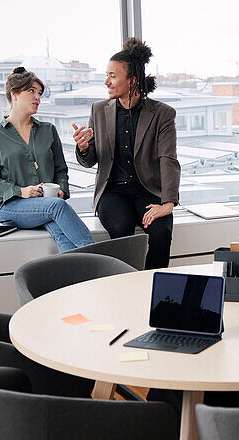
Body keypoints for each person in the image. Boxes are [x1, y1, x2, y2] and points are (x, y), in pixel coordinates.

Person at [72, 37, 180, 269]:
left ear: (132, 81)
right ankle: (123, 287)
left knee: (161, 233)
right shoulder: (99, 110)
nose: (106, 82)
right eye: (107, 75)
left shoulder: (162, 114)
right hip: (113, 192)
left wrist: (168, 203)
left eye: (112, 76)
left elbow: (168, 159)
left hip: (148, 191)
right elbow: (90, 161)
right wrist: (83, 147)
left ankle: (154, 288)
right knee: (122, 230)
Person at [0, 67, 94, 252]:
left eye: (40, 93)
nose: (37, 98)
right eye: (31, 91)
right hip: (12, 207)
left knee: (63, 235)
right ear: (14, 94)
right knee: (57, 208)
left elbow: (61, 170)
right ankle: (98, 259)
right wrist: (21, 191)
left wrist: (62, 191)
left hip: (48, 204)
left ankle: (76, 276)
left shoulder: (48, 130)